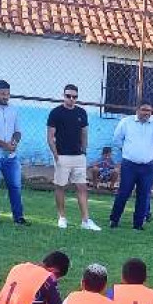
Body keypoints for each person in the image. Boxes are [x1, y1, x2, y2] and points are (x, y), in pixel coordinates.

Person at [109, 99, 153, 230]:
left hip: (148, 167)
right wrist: (126, 151)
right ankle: (114, 220)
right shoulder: (126, 122)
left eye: (149, 110)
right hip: (129, 166)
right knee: (123, 193)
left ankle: (138, 224)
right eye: (143, 110)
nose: (146, 113)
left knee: (144, 195)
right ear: (137, 110)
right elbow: (117, 139)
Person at [47, 84, 101, 230]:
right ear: (63, 96)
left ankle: (85, 220)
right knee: (60, 186)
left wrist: (84, 151)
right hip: (62, 156)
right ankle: (62, 218)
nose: (71, 99)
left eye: (74, 97)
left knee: (82, 187)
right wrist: (56, 155)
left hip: (79, 157)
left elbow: (84, 133)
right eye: (68, 96)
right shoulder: (55, 113)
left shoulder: (82, 112)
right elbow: (50, 136)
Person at [0, 80, 27, 225]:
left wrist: (14, 142)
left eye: (8, 94)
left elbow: (18, 131)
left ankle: (19, 218)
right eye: (2, 94)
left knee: (15, 187)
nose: (6, 97)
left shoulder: (13, 110)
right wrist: (4, 145)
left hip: (11, 158)